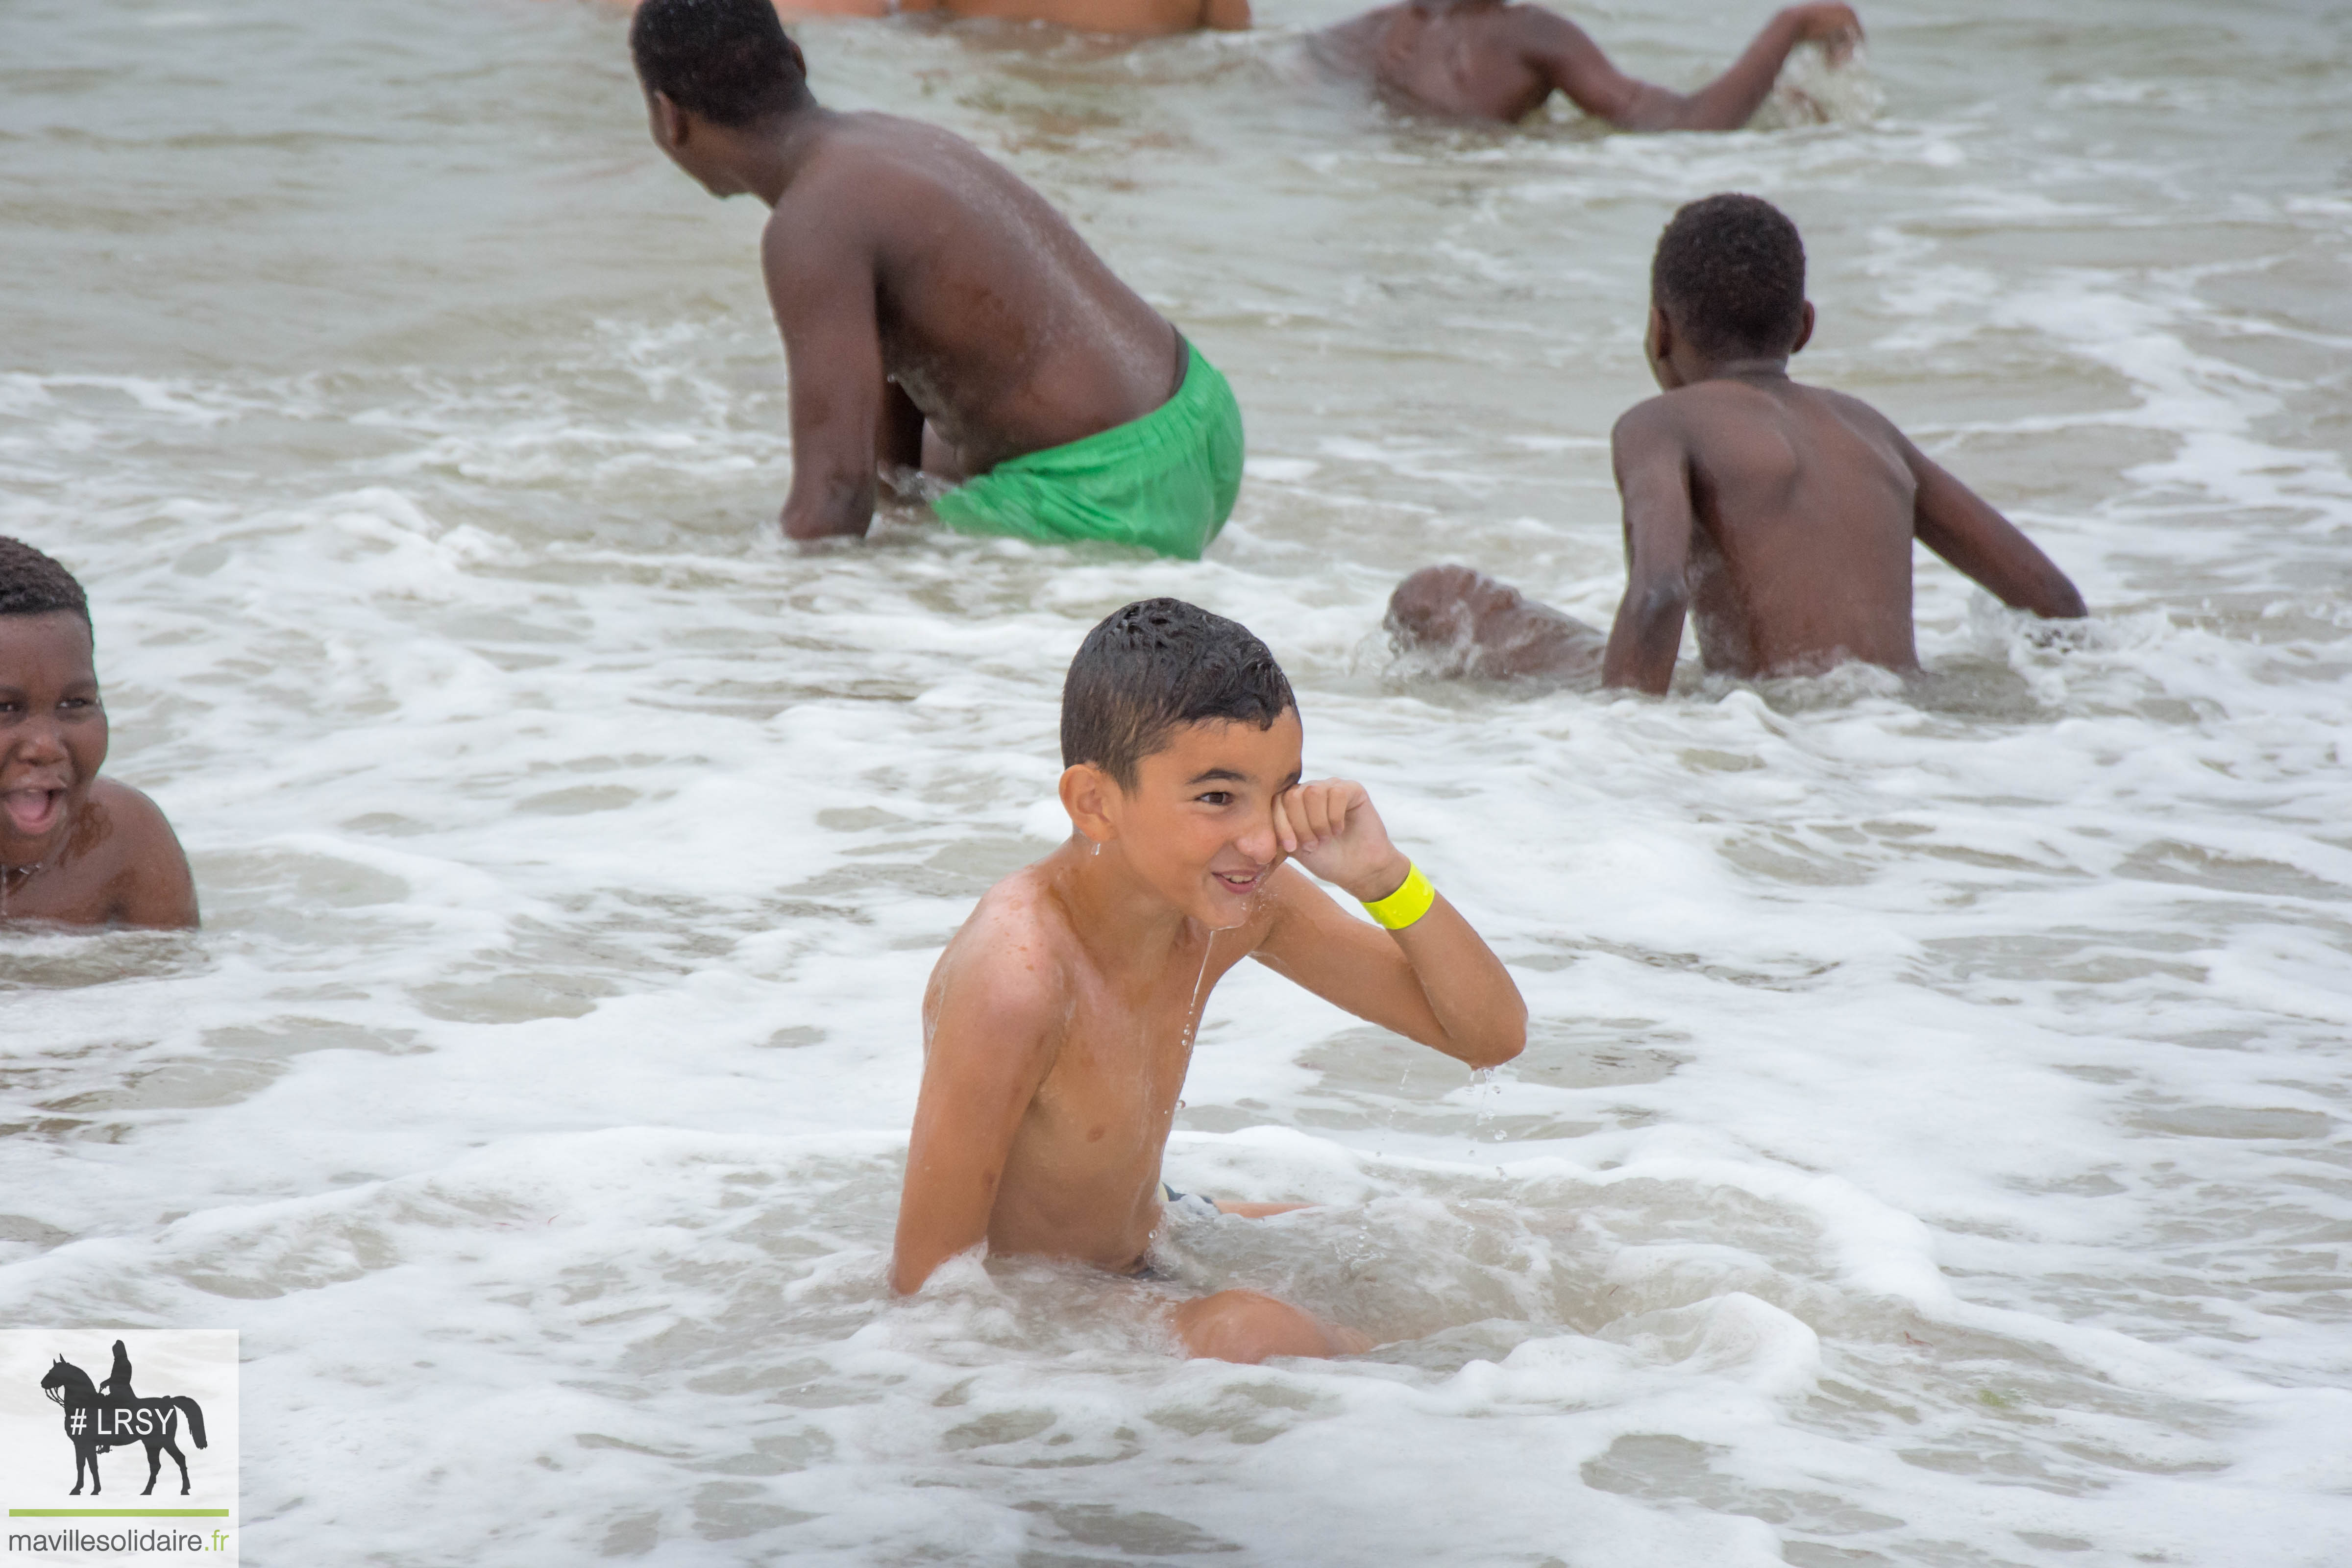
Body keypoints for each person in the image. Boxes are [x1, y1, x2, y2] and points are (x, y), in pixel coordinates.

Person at [893, 599, 1525, 1362]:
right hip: (1045, 1295)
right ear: (1095, 803)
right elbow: (930, 1291)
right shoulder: (1019, 976)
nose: (1262, 840)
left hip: (1158, 1229)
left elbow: (1489, 1035)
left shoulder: (1238, 901)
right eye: (1218, 798)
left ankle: (1540, 1369)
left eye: (1280, 792)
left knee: (1454, 1234)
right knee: (1249, 1331)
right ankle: (1471, 1385)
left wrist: (1385, 879)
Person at [1389, 194, 2087, 694]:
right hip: (1892, 720)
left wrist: (1609, 759)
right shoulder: (1869, 430)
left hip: (1771, 729)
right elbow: (2052, 597)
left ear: (1659, 331)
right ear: (1804, 328)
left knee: (1435, 596)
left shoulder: (1661, 424)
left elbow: (1660, 592)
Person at [630, 0, 1245, 557]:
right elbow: (901, 400)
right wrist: (900, 507)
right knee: (928, 498)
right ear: (796, 59)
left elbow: (835, 504)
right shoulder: (882, 143)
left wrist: (733, 595)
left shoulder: (809, 227)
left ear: (668, 117)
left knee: (878, 568)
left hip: (1110, 493)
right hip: (1198, 414)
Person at [0, 538, 198, 929]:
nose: (45, 746)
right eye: (5, 708)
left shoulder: (123, 841)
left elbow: (179, 985)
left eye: (75, 704)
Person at [1312, 1, 1862, 127]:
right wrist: (1788, 27)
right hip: (1480, 205)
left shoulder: (1379, 31)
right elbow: (1687, 124)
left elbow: (1265, 75)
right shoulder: (1533, 34)